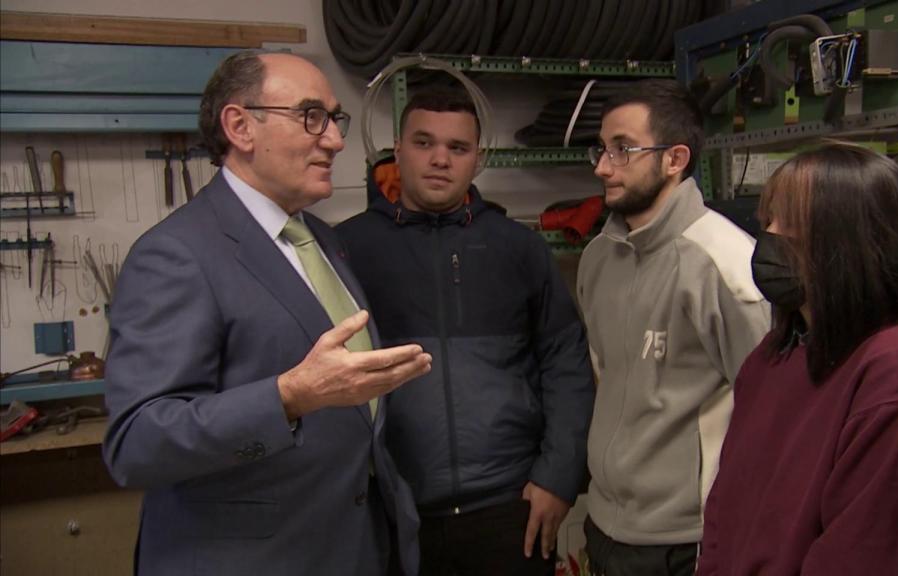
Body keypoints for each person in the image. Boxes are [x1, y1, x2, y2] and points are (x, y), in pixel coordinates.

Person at [101, 51, 433, 576]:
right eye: (310, 117)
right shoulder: (177, 254)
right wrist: (290, 397)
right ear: (240, 126)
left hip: (349, 545)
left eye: (333, 118)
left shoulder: (321, 239)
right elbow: (136, 443)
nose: (335, 139)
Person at [335, 85, 595, 576]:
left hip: (510, 508)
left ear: (479, 158)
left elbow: (566, 363)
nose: (440, 159)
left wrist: (559, 477)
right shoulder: (348, 249)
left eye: (457, 148)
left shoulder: (519, 248)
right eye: (423, 143)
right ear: (397, 147)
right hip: (392, 507)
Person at [696, 143, 898, 575]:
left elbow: (875, 556)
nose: (768, 236)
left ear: (849, 239)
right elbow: (727, 519)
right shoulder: (774, 356)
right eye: (767, 220)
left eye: (787, 221)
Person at [577, 79, 771, 576]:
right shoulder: (598, 257)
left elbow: (773, 414)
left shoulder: (727, 265)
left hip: (687, 542)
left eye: (623, 150)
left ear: (675, 159)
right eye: (602, 149)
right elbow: (609, 377)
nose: (603, 166)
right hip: (605, 527)